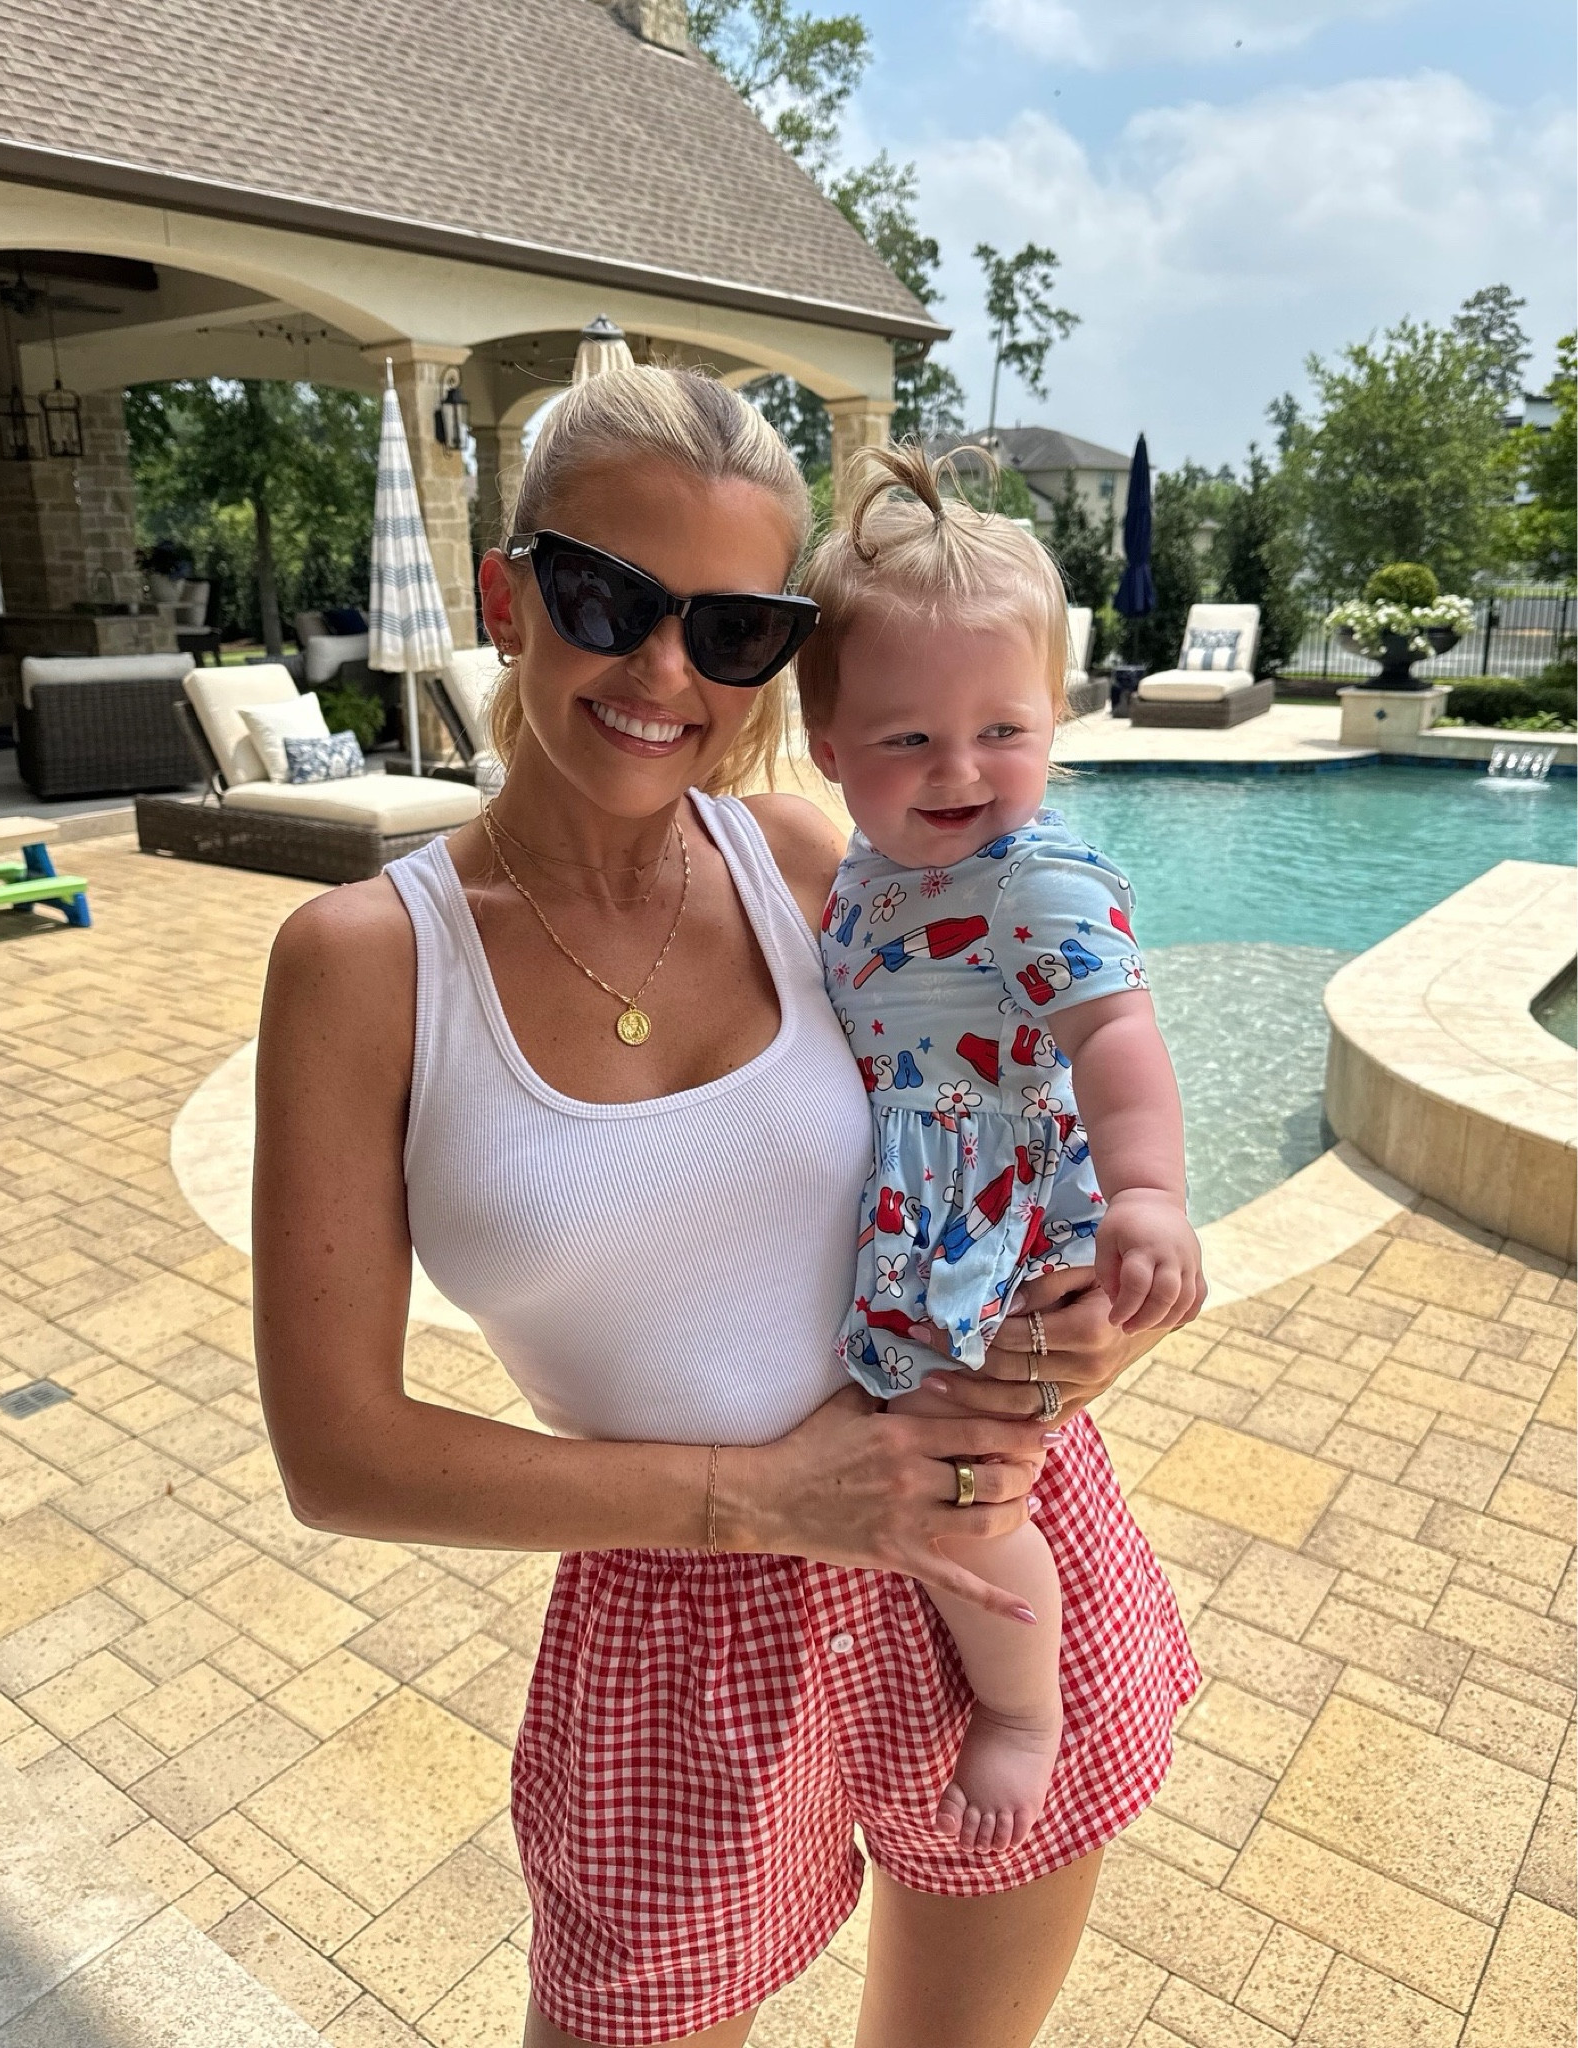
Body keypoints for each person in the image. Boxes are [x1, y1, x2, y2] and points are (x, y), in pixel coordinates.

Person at [253, 365, 1199, 2048]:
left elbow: (1022, 1115)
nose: (664, 672)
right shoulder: (368, 966)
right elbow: (340, 1456)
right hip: (680, 1612)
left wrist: (1074, 1343)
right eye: (605, 598)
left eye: (734, 628)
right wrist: (764, 1497)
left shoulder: (812, 864)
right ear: (509, 598)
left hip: (982, 1527)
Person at [798, 443, 1204, 1857]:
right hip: (929, 1218)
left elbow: (1118, 1038)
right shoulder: (862, 872)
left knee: (966, 1494)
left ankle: (1024, 1710)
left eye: (1002, 729)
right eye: (907, 738)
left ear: (1056, 718)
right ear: (826, 746)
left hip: (1005, 1233)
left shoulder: (1038, 879)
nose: (960, 769)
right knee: (926, 1476)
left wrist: (1148, 1195)